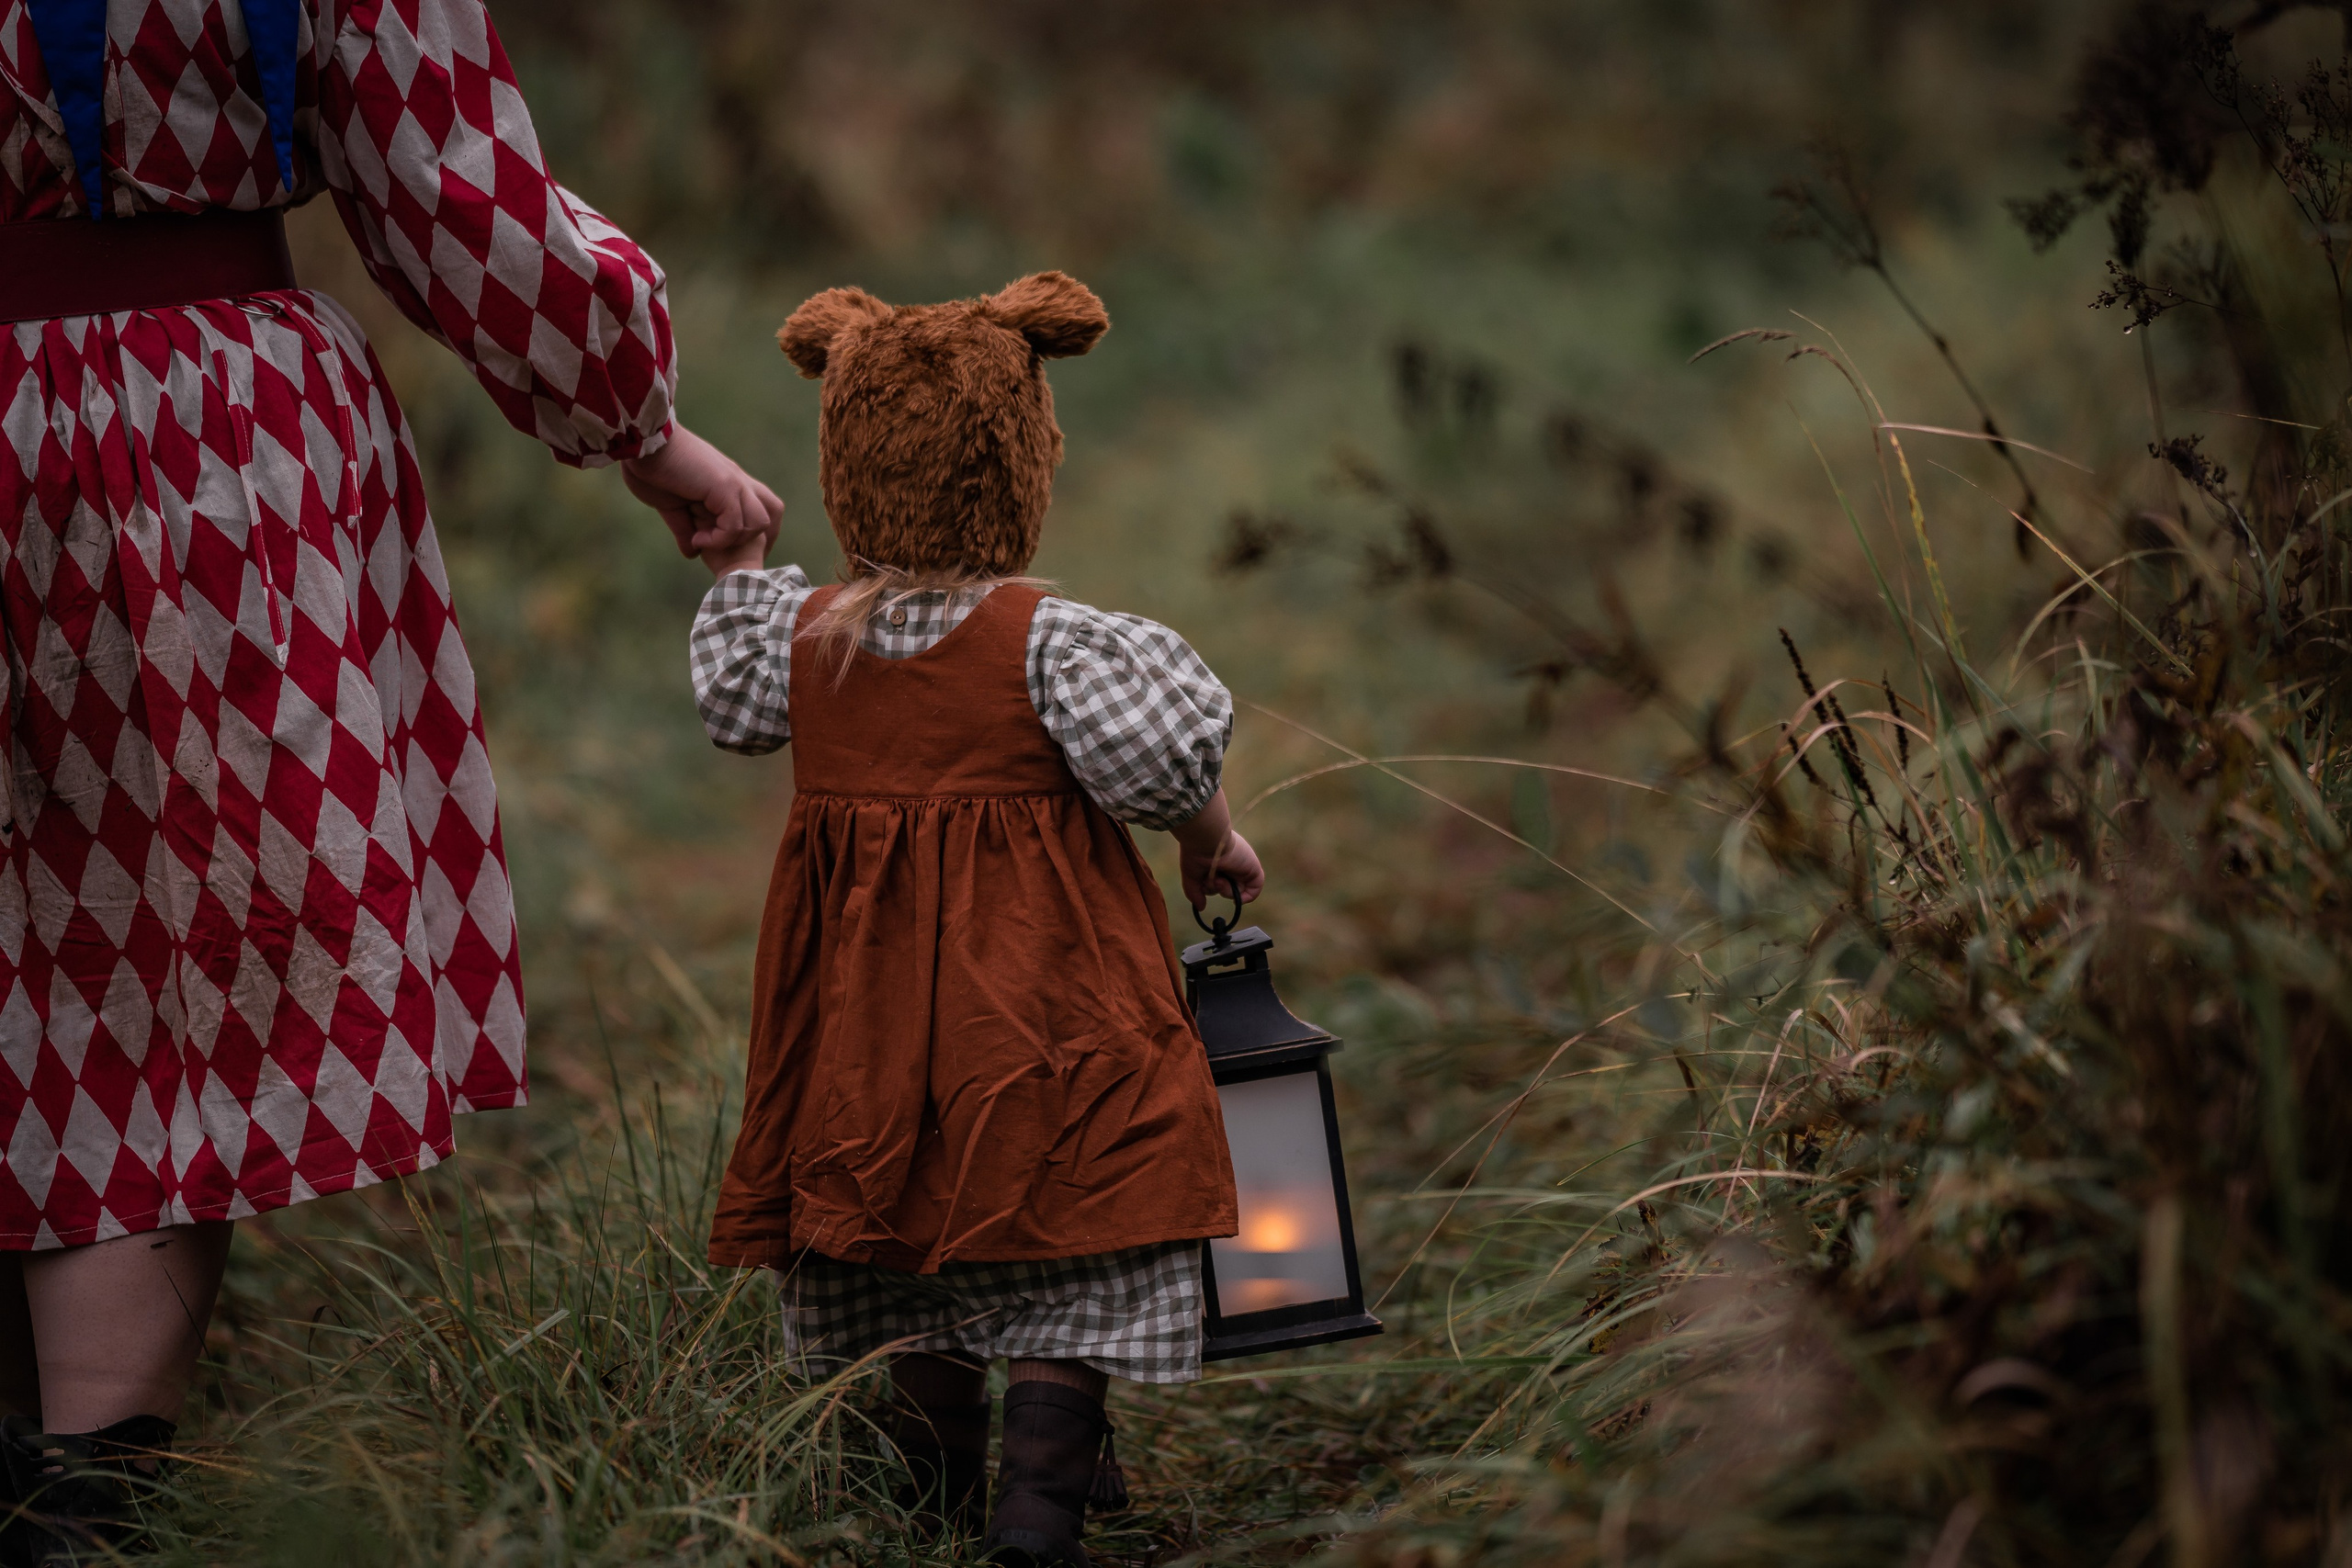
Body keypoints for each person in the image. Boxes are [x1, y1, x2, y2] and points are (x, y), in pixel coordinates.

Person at [0, 0, 777, 1557]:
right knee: (152, 991)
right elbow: (452, 185)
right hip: (174, 442)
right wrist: (633, 420)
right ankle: (76, 1512)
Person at [689, 271, 1257, 1567]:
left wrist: (739, 565)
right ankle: (1039, 1508)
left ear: (848, 468)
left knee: (901, 1202)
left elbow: (731, 708)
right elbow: (1160, 771)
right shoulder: (1053, 640)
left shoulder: (807, 640)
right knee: (1076, 1196)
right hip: (1045, 992)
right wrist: (1210, 840)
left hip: (869, 1012)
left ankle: (928, 1490)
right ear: (1019, 462)